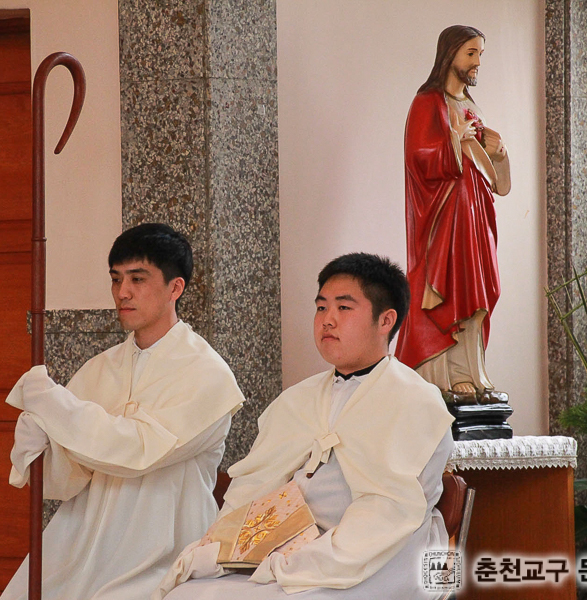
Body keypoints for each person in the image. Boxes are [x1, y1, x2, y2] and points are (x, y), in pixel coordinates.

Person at [155, 253, 454, 600]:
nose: (327, 320)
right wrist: (225, 548)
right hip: (287, 549)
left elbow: (391, 510)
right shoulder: (297, 398)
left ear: (386, 320)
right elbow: (252, 485)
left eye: (344, 308)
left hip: (378, 557)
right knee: (186, 594)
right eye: (321, 307)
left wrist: (305, 561)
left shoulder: (415, 401)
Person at [0, 223, 245, 600]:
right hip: (82, 545)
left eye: (137, 279)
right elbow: (66, 481)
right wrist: (39, 449)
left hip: (162, 555)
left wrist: (57, 408)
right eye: (116, 279)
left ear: (175, 288)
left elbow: (137, 451)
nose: (122, 292)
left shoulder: (207, 374)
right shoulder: (100, 368)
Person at [394, 25, 511, 396]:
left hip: (476, 215)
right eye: (471, 53)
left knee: (478, 290)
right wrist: (454, 141)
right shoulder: (427, 102)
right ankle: (447, 375)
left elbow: (487, 171)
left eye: (480, 54)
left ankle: (474, 372)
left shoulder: (470, 106)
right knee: (452, 290)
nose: (477, 63)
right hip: (444, 218)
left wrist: (498, 153)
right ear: (450, 55)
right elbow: (418, 157)